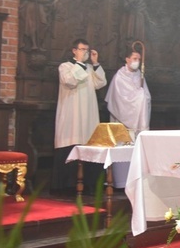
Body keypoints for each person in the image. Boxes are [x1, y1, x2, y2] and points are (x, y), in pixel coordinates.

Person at [53, 38, 107, 192]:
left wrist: (95, 64)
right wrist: (80, 63)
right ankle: (66, 186)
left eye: (87, 50)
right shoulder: (65, 67)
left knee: (89, 144)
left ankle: (90, 185)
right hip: (72, 114)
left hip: (89, 114)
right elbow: (70, 81)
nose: (85, 53)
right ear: (74, 50)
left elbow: (100, 83)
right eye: (82, 49)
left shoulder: (89, 68)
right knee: (71, 141)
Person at [105, 48, 151, 137]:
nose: (137, 61)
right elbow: (118, 98)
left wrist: (141, 96)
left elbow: (147, 96)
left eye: (139, 59)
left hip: (138, 116)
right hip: (122, 117)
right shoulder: (120, 75)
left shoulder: (140, 75)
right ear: (127, 59)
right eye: (135, 59)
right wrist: (139, 95)